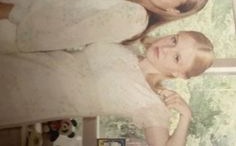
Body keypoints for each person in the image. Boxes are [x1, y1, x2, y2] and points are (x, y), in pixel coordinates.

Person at [0, 31, 214, 146]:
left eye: (177, 57)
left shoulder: (150, 103)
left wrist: (186, 116)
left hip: (18, 100)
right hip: (16, 61)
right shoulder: (130, 44)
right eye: (174, 39)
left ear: (179, 74)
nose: (166, 48)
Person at [0, 0, 209, 52]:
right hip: (22, 1)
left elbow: (66, 32)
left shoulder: (133, 18)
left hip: (15, 21)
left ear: (172, 11)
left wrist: (10, 11)